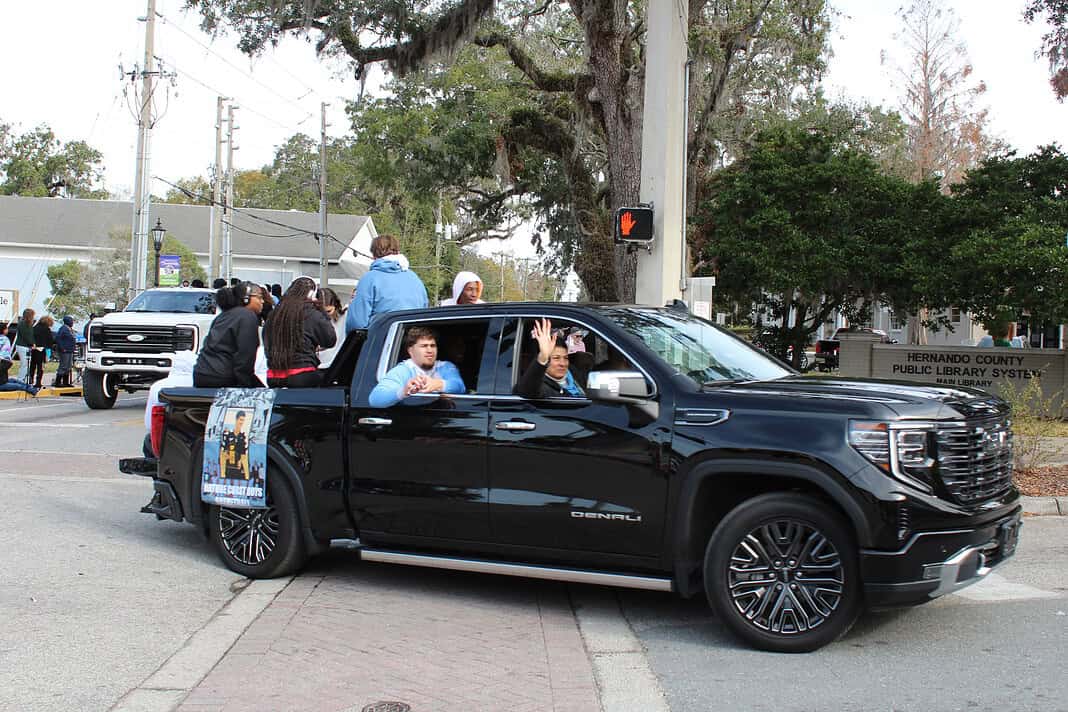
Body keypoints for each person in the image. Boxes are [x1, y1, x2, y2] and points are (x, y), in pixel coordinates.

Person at [346, 234, 429, 332]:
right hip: (412, 337)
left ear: (374, 254)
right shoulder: (415, 278)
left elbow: (357, 322)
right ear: (397, 251)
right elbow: (424, 310)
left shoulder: (369, 279)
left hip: (382, 338)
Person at [263, 277, 336, 387]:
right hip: (303, 373)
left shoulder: (274, 315)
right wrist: (320, 309)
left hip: (274, 375)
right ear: (312, 295)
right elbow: (330, 340)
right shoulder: (311, 314)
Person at [369, 326, 465, 407]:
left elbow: (460, 387)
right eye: (424, 346)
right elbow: (375, 400)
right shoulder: (403, 370)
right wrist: (404, 391)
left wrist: (437, 384)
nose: (430, 350)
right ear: (410, 351)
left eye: (432, 346)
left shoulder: (446, 366)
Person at [193, 282, 265, 388]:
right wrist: (245, 384)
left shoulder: (223, 315)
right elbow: (245, 355)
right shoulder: (247, 316)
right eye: (259, 297)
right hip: (223, 376)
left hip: (202, 373)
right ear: (246, 298)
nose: (262, 301)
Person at [516, 318, 586, 399]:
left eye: (565, 358)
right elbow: (527, 392)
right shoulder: (541, 387)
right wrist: (543, 357)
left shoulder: (574, 373)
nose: (562, 363)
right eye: (556, 358)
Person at [0, 323, 38, 396]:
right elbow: (6, 351)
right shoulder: (5, 339)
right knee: (16, 385)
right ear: (4, 330)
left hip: (3, 374)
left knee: (13, 380)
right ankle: (31, 389)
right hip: (2, 380)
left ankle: (30, 388)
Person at [316, 287, 347, 369]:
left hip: (335, 364)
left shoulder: (345, 317)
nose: (325, 315)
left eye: (329, 311)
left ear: (336, 306)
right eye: (321, 311)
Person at [30, 315, 55, 389]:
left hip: (34, 349)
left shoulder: (34, 328)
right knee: (40, 367)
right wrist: (49, 351)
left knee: (32, 366)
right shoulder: (47, 330)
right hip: (42, 350)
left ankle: (30, 380)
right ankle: (38, 382)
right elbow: (50, 341)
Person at [53, 316, 77, 387]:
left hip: (70, 350)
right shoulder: (63, 329)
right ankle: (58, 382)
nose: (72, 322)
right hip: (64, 350)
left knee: (68, 366)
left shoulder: (70, 329)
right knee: (63, 366)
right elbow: (58, 338)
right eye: (71, 321)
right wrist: (62, 347)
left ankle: (65, 382)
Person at [14, 309, 34, 382]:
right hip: (22, 346)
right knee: (24, 364)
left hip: (25, 346)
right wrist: (32, 343)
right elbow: (26, 336)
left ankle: (25, 379)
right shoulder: (23, 324)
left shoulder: (27, 324)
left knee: (26, 364)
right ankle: (20, 379)